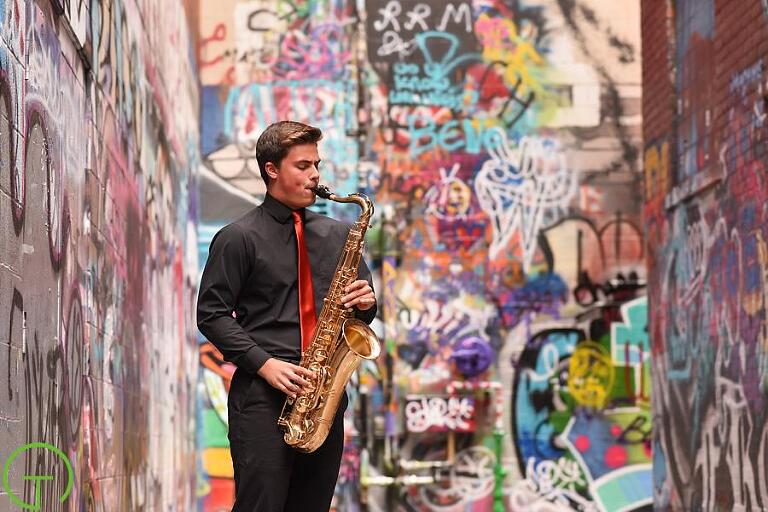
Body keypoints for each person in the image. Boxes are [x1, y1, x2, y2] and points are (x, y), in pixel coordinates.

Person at [197, 121, 377, 511]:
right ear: (272, 170)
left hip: (323, 397)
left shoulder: (339, 235)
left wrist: (367, 303)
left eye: (317, 164)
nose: (315, 175)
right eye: (303, 165)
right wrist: (265, 365)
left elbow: (361, 316)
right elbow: (211, 315)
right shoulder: (238, 237)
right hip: (263, 397)